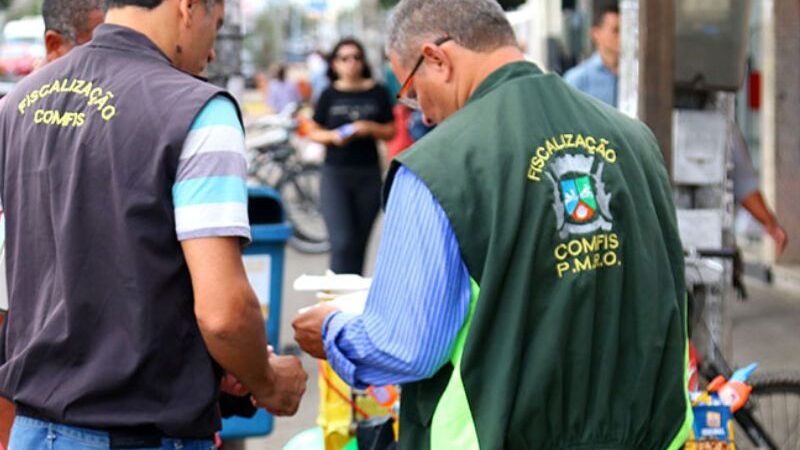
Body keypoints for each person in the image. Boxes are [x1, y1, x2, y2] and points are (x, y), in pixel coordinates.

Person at [294, 0, 692, 448]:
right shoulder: (635, 140)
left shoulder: (440, 164)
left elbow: (405, 347)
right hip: (649, 436)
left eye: (410, 89)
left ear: (437, 60)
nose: (420, 113)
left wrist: (331, 330)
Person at [0, 1, 307, 449]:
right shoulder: (198, 110)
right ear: (187, 8)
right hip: (139, 434)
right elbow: (224, 314)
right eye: (215, 27)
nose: (212, 54)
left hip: (33, 429)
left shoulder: (18, 104)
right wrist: (267, 381)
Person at [306, 38, 395, 275]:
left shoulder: (378, 92)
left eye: (356, 57)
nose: (352, 63)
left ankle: (352, 304)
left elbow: (391, 131)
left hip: (368, 174)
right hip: (336, 175)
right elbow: (313, 130)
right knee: (342, 243)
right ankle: (333, 301)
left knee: (358, 246)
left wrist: (369, 128)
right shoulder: (328, 94)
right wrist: (333, 137)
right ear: (334, 64)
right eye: (344, 58)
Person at [563, 3, 620, 107]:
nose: (622, 37)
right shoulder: (577, 80)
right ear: (596, 34)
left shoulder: (638, 77)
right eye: (616, 30)